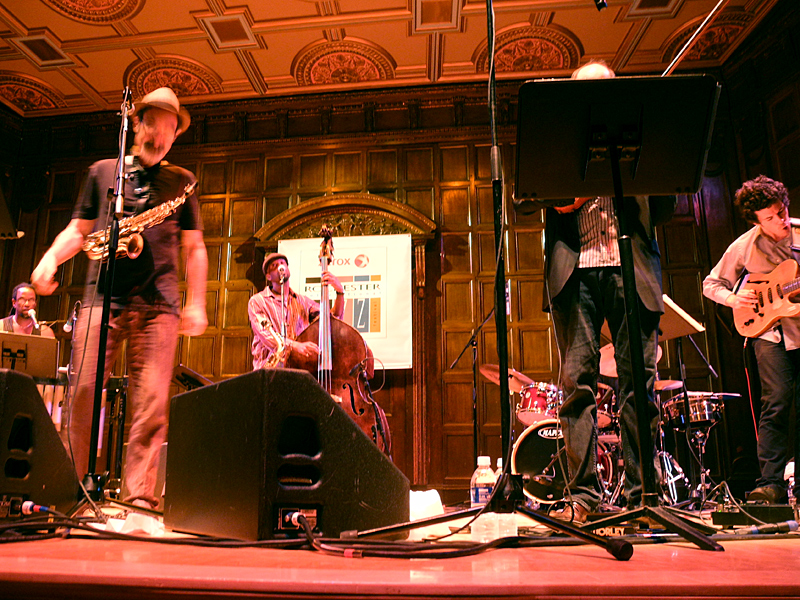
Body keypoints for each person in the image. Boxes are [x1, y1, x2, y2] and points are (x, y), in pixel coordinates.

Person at [30, 87, 207, 509]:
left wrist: (197, 302)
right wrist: (49, 259)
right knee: (82, 395)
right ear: (137, 123)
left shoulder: (182, 182)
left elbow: (195, 246)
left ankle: (140, 500)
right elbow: (78, 231)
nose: (161, 137)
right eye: (155, 125)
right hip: (102, 299)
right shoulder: (103, 171)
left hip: (159, 306)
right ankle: (68, 495)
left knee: (150, 408)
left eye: (170, 130)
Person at [542, 61, 677, 523]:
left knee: (639, 386)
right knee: (575, 387)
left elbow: (665, 207)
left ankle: (644, 497)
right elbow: (532, 198)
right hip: (575, 273)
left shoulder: (638, 138)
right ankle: (583, 497)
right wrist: (578, 189)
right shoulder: (559, 141)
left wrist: (635, 167)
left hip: (630, 268)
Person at [703, 175, 799, 504]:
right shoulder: (745, 245)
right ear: (756, 220)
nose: (781, 221)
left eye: (782, 212)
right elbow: (710, 284)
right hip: (769, 332)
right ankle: (769, 482)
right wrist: (734, 299)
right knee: (776, 400)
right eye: (770, 218)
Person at [248, 252, 344, 369]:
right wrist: (295, 345)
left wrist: (340, 292)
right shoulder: (257, 301)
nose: (280, 267)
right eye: (274, 266)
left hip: (297, 369)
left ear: (288, 269)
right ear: (268, 276)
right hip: (269, 370)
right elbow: (265, 334)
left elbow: (331, 319)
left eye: (282, 263)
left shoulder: (303, 301)